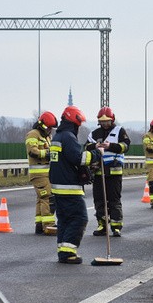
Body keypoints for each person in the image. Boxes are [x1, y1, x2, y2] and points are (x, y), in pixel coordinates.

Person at [49, 106, 100, 264]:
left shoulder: (58, 136)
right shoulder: (68, 137)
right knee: (80, 218)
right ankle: (68, 252)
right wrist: (97, 153)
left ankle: (63, 251)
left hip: (58, 186)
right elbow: (79, 158)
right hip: (69, 187)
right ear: (74, 123)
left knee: (64, 220)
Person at [84, 106, 131, 236]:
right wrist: (95, 146)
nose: (105, 124)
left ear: (112, 120)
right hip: (98, 172)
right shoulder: (94, 133)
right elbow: (86, 146)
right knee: (99, 200)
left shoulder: (119, 131)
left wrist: (111, 146)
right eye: (102, 121)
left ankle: (116, 226)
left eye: (107, 121)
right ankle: (102, 225)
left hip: (114, 172)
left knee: (114, 200)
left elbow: (125, 146)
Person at [25, 112, 58, 235]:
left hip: (46, 173)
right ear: (42, 125)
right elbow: (32, 151)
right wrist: (47, 153)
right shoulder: (33, 134)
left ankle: (39, 225)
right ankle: (49, 226)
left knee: (41, 198)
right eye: (49, 128)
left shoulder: (47, 136)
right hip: (38, 174)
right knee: (48, 197)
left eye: (51, 128)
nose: (50, 130)